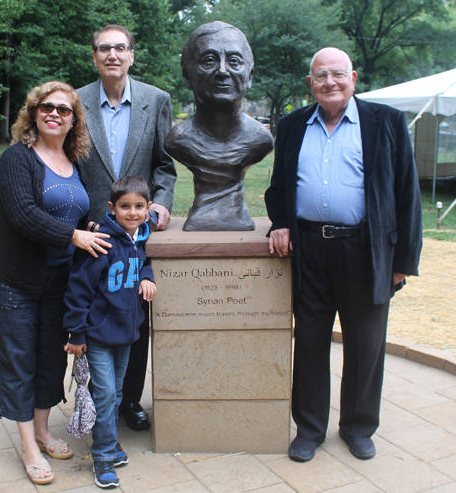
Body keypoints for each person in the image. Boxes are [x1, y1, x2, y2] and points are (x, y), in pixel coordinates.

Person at [265, 47, 422, 462]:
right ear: (310, 83)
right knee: (311, 341)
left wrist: (402, 262)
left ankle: (358, 427)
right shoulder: (294, 124)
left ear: (353, 77)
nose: (330, 82)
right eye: (321, 76)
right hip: (309, 249)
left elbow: (407, 193)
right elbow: (278, 186)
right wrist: (280, 221)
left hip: (366, 250)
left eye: (337, 74)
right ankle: (310, 430)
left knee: (366, 343)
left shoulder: (385, 121)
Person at [0, 81, 112, 484]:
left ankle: (42, 429)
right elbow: (22, 214)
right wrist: (74, 236)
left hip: (61, 279)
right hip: (16, 280)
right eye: (46, 107)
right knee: (19, 360)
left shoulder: (75, 162)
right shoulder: (16, 159)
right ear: (34, 113)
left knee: (51, 359)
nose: (54, 113)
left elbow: (80, 211)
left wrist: (93, 227)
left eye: (64, 109)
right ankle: (26, 444)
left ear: (75, 119)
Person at [77, 24, 176, 429]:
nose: (112, 55)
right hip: (91, 232)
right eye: (104, 48)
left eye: (121, 48)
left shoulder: (156, 100)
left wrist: (162, 204)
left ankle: (129, 401)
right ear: (95, 56)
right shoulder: (75, 102)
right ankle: (95, 403)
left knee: (135, 312)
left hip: (138, 231)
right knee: (93, 311)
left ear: (132, 54)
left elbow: (165, 165)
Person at [64, 176, 157, 489]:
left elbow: (141, 261)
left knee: (115, 393)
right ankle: (102, 454)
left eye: (139, 206)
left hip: (127, 335)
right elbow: (79, 290)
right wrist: (76, 334)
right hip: (100, 336)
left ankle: (109, 439)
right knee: (105, 395)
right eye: (125, 206)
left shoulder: (137, 236)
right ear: (112, 208)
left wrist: (147, 277)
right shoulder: (103, 242)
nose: (132, 212)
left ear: (147, 208)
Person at [165, 21, 273, 231]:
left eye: (234, 61)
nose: (222, 71)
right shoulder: (177, 140)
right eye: (209, 60)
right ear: (188, 77)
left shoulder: (261, 139)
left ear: (249, 76)